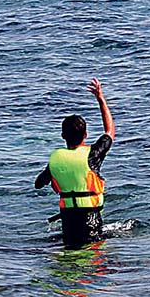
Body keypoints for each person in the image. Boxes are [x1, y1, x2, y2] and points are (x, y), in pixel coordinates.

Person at [34, 79, 116, 249]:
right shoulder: (92, 155)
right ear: (85, 135)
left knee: (70, 259)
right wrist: (101, 99)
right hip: (91, 222)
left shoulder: (56, 160)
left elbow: (38, 184)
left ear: (63, 136)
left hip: (68, 224)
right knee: (94, 262)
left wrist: (54, 179)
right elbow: (109, 131)